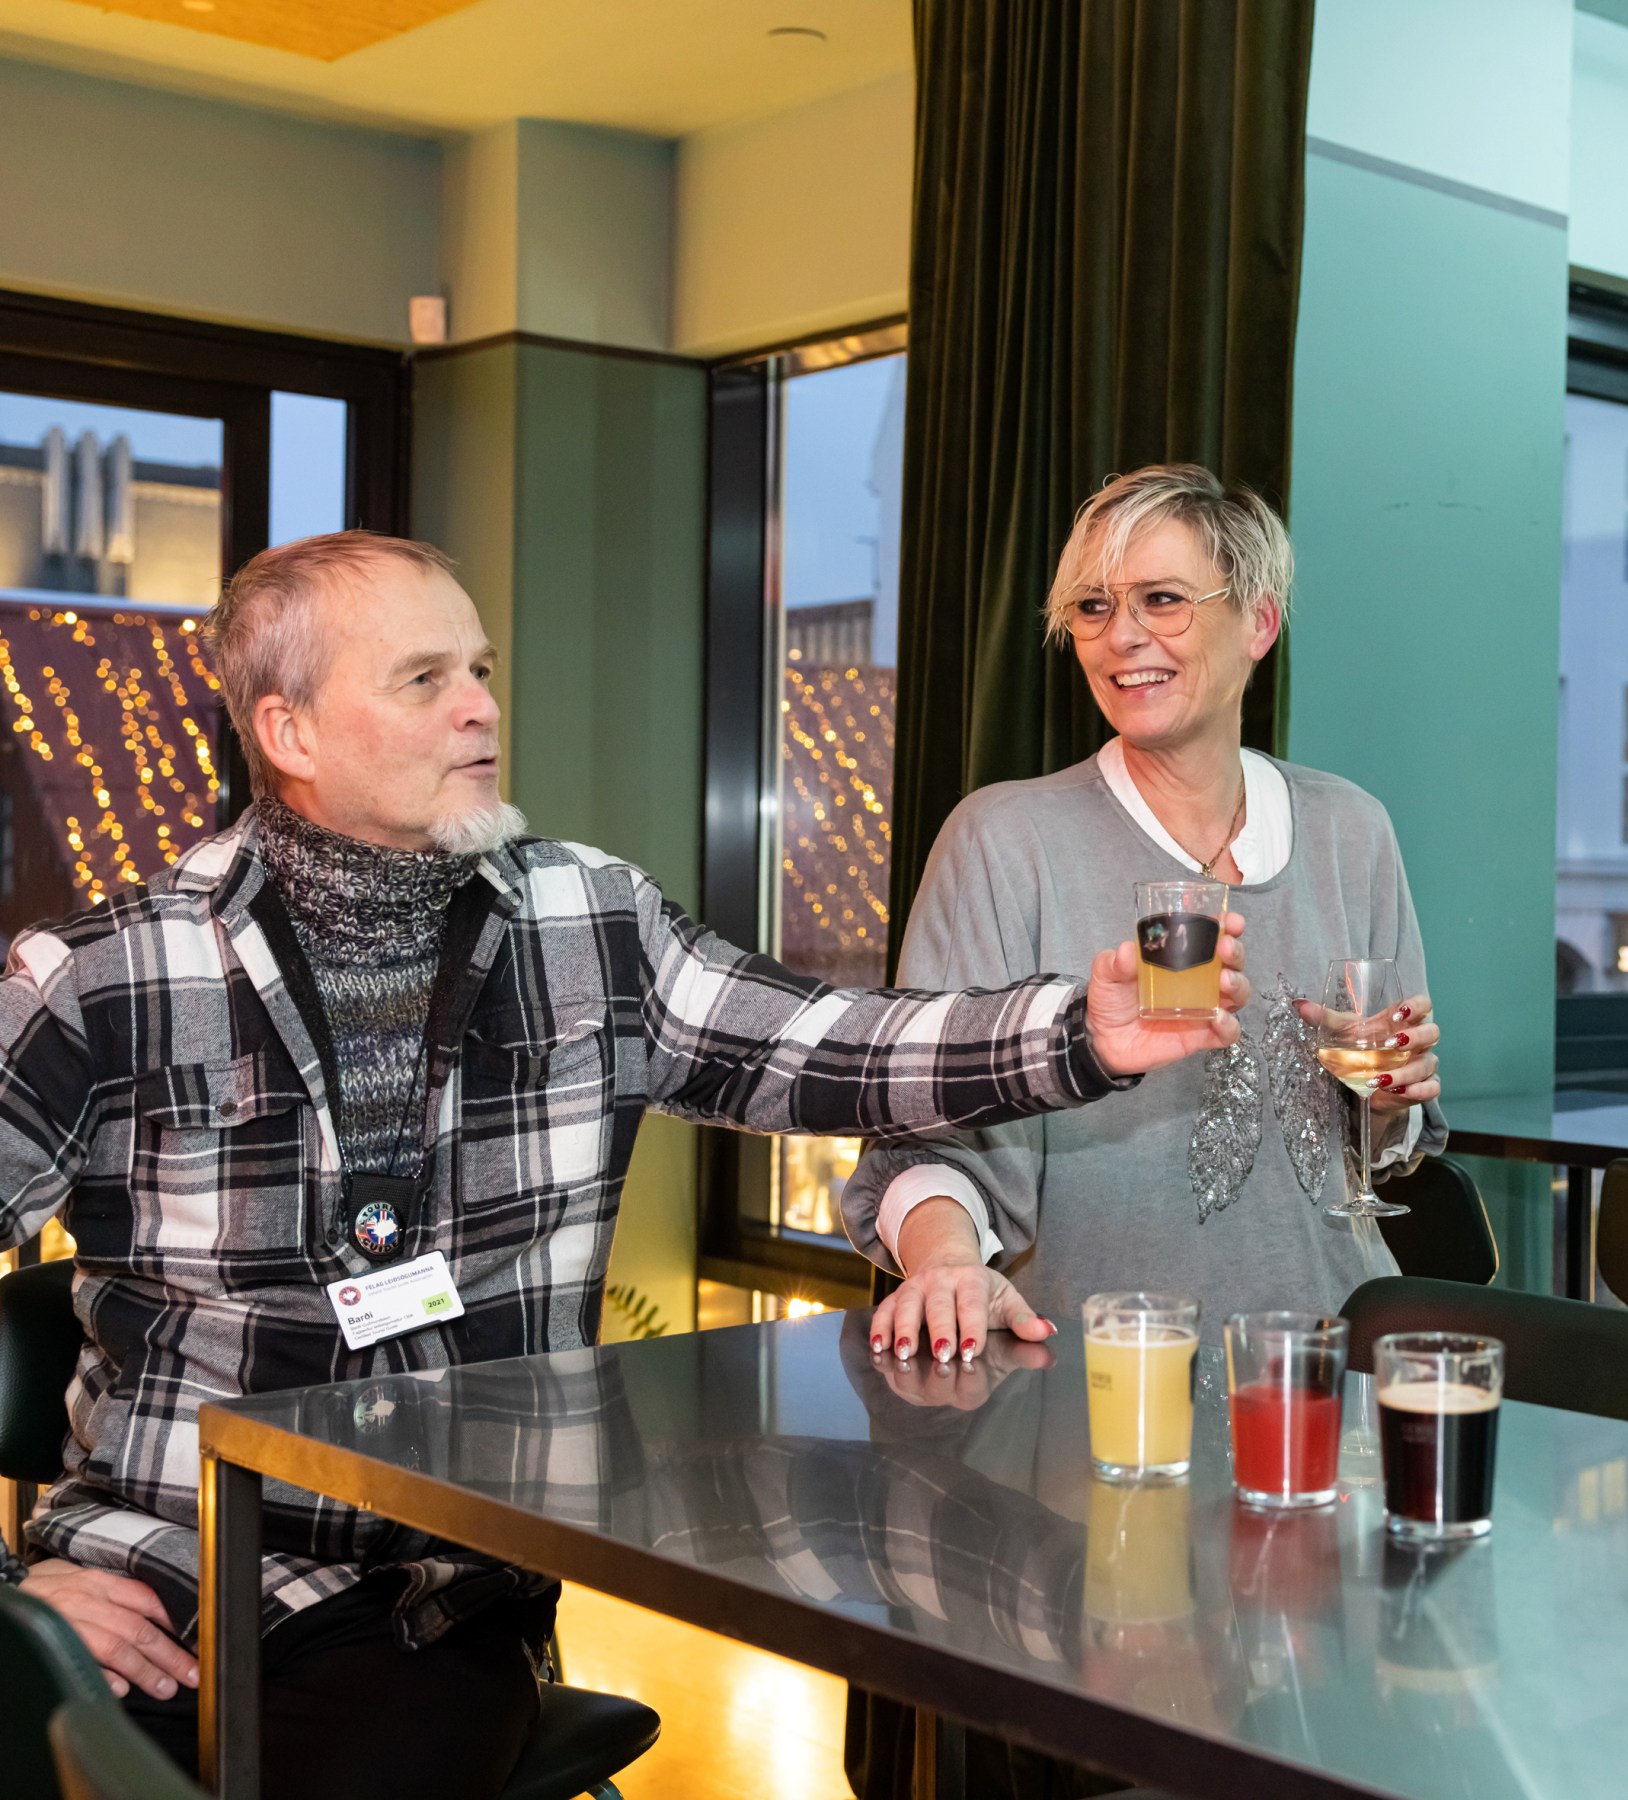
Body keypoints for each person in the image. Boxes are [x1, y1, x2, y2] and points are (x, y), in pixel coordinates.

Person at [0, 530, 1249, 1800]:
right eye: (425, 679)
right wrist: (10, 1591)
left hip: (424, 1598)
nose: (482, 707)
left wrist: (1080, 1034)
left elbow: (831, 1046)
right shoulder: (102, 977)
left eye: (480, 670)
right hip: (154, 1570)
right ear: (291, 732)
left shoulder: (589, 923)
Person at [842, 464, 1447, 1364]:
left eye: (1162, 599)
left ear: (1259, 623)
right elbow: (923, 1125)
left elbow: (1382, 1143)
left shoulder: (1352, 830)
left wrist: (1390, 1096)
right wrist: (946, 1264)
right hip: (1094, 1375)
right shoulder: (1004, 841)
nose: (1121, 635)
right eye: (1093, 607)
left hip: (1326, 1370)